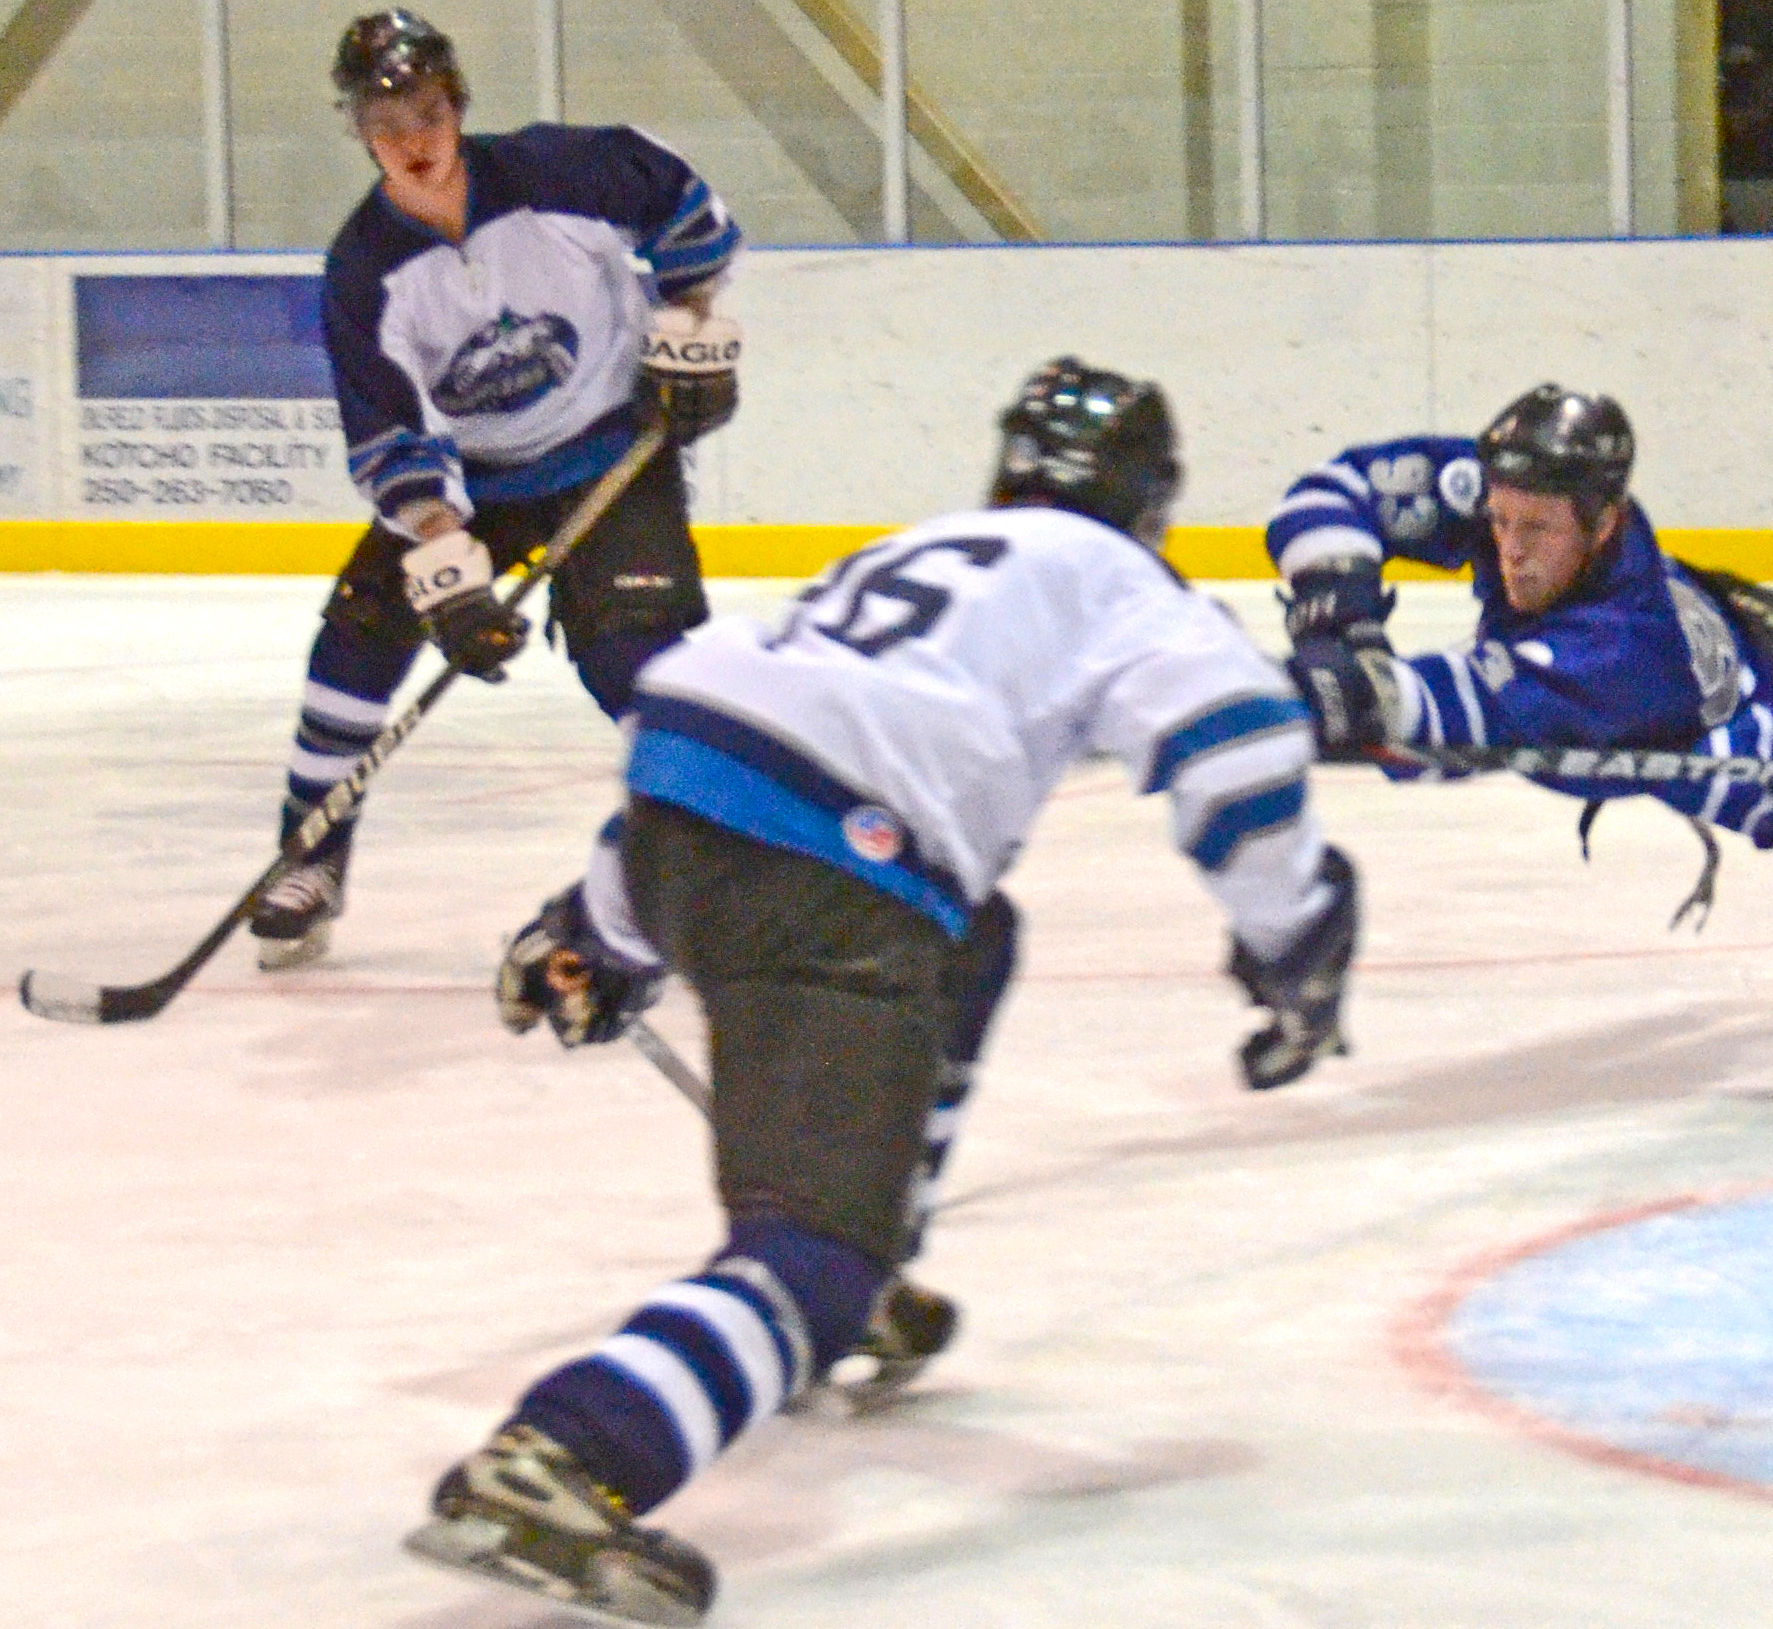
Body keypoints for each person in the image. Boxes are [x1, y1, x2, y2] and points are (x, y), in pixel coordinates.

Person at [404, 359, 1360, 1624]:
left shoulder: (922, 549)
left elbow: (740, 735)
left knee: (975, 934)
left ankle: (870, 1253)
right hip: (829, 871)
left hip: (676, 790)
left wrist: (601, 931)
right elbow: (1237, 752)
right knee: (813, 1256)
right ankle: (571, 1455)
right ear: (1150, 504)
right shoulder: (1121, 579)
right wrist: (1299, 944)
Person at [252, 9, 743, 969]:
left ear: (458, 106)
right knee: (357, 636)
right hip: (474, 483)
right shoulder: (365, 269)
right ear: (358, 131)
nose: (412, 141)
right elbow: (392, 434)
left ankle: (722, 862)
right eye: (385, 123)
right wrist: (446, 563)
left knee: (637, 661)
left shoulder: (561, 172)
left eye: (427, 113)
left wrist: (689, 320)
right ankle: (309, 856)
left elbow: (684, 206)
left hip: (611, 452)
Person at [1268, 388, 1773, 885]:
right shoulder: (1545, 495)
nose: (1510, 549)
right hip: (1724, 621)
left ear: (1603, 524)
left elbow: (1440, 712)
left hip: (1765, 732)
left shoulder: (1621, 652)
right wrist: (1339, 608)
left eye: (1536, 529)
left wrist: (1326, 692)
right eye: (1499, 520)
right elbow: (1333, 489)